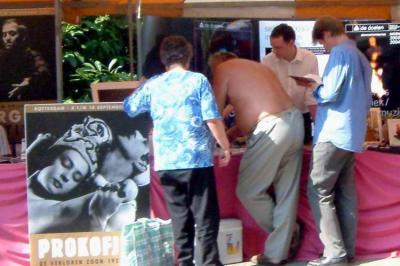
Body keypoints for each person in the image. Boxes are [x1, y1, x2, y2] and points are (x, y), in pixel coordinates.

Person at [124, 35, 231, 266]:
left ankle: (184, 261)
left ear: (163, 59)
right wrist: (224, 145)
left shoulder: (154, 84)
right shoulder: (198, 81)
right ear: (189, 56)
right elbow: (211, 117)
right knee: (205, 217)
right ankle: (210, 262)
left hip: (167, 161)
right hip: (197, 158)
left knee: (179, 217)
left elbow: (130, 107)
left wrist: (145, 84)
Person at [209, 52, 304, 265]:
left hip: (272, 129)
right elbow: (255, 105)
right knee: (286, 192)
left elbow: (213, 112)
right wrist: (234, 132)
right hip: (294, 121)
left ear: (218, 63)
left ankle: (287, 235)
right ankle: (276, 254)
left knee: (248, 190)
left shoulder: (223, 69)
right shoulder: (257, 67)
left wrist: (220, 139)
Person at [305, 16, 372, 266]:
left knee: (318, 190)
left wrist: (315, 86)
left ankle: (335, 253)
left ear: (327, 34)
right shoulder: (360, 56)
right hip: (352, 133)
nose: (323, 48)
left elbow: (330, 93)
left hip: (333, 132)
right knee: (345, 193)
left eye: (322, 42)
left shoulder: (339, 54)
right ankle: (346, 251)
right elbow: (366, 100)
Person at [27, 116, 146, 233]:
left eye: (76, 177)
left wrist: (98, 218)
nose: (66, 177)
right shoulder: (33, 177)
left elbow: (62, 211)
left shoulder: (123, 208)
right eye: (66, 163)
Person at [261, 23, 318, 144]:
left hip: (302, 115)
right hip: (277, 117)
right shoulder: (267, 61)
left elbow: (311, 94)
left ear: (291, 42)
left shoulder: (310, 59)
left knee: (304, 153)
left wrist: (318, 124)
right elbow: (265, 92)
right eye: (272, 47)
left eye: (278, 47)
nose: (274, 51)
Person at [0, 18, 50, 101]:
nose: (7, 38)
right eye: (4, 35)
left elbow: (44, 71)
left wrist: (29, 81)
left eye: (12, 33)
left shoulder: (32, 55)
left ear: (23, 36)